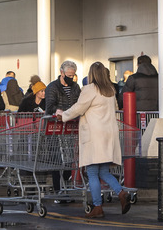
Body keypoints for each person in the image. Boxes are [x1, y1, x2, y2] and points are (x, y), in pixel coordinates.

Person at [56, 62, 131, 219]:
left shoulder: (89, 89)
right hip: (108, 134)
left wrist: (63, 115)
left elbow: (79, 107)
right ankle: (121, 192)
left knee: (91, 172)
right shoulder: (110, 89)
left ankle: (97, 206)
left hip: (94, 135)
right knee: (103, 171)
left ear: (92, 74)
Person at [45, 60, 82, 199]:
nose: (71, 78)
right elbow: (49, 106)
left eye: (73, 75)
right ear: (62, 73)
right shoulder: (52, 87)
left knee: (70, 158)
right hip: (55, 127)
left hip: (70, 127)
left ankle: (66, 186)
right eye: (68, 75)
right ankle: (58, 189)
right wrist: (58, 110)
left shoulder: (75, 87)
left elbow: (79, 102)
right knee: (56, 159)